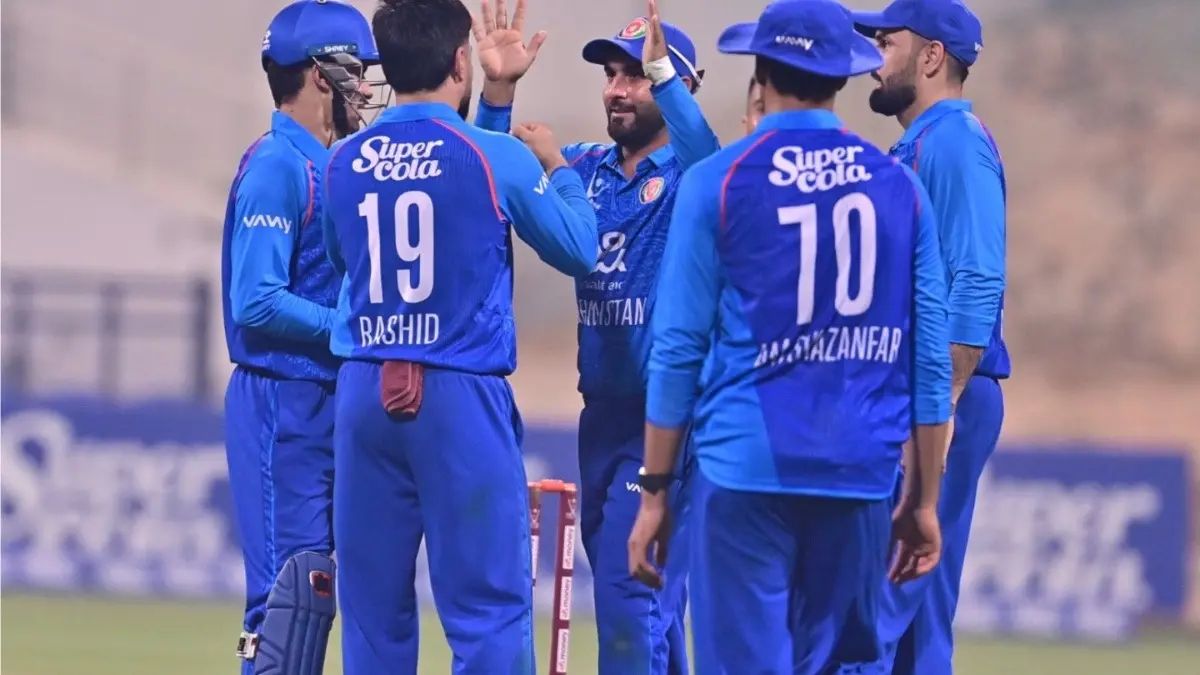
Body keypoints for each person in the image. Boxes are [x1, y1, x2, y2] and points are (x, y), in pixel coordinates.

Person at [627, 0, 955, 672]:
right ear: (842, 77)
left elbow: (678, 347)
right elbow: (927, 361)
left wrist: (656, 488)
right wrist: (923, 499)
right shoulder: (900, 186)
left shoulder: (718, 182)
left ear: (761, 75)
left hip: (744, 470)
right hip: (860, 471)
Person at [321, 0, 598, 672]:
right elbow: (579, 246)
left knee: (373, 615)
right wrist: (559, 169)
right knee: (487, 610)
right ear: (459, 60)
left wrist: (495, 97)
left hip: (364, 390)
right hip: (459, 393)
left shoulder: (344, 160)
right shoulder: (495, 155)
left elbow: (343, 260)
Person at [472, 0, 718, 671]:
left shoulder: (694, 179)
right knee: (654, 610)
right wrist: (497, 95)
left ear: (677, 85)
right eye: (611, 73)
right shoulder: (583, 166)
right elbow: (483, 175)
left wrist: (663, 70)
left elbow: (707, 150)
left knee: (628, 598)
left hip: (665, 420)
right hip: (602, 418)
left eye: (634, 75)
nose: (615, 87)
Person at [220, 1, 379, 673]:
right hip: (281, 400)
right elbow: (254, 300)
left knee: (315, 594)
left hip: (317, 399)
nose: (369, 89)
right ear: (322, 75)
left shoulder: (320, 162)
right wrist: (347, 329)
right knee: (289, 600)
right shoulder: (279, 167)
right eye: (359, 73)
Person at [851, 1, 1008, 672]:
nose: (873, 56)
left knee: (881, 602)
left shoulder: (954, 141)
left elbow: (977, 281)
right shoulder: (918, 141)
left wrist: (935, 414)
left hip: (938, 396)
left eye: (888, 41)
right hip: (926, 394)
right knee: (913, 605)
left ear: (932, 56)